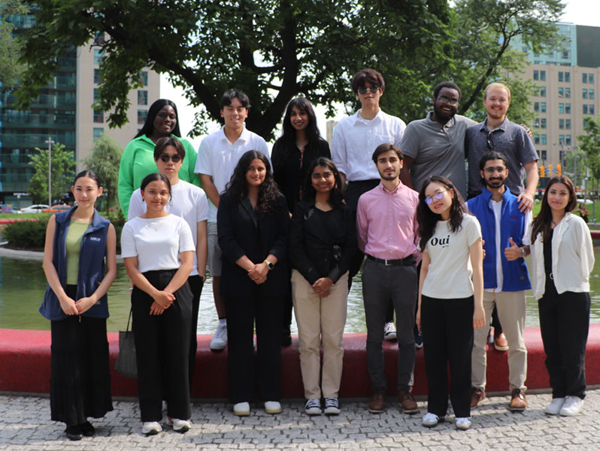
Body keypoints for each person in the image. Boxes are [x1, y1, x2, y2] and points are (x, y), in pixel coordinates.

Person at [40, 170, 117, 441]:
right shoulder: (57, 221)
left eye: (90, 189)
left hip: (91, 300)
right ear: (73, 190)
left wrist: (93, 298)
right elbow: (47, 262)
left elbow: (111, 271)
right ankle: (71, 420)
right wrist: (61, 296)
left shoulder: (105, 226)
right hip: (62, 297)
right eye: (79, 188)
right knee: (66, 358)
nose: (84, 194)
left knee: (91, 357)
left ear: (99, 192)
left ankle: (86, 416)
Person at [128, 136, 209, 391]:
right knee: (152, 340)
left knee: (185, 341)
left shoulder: (196, 194)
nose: (170, 162)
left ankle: (182, 395)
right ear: (156, 160)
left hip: (188, 275)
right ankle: (157, 396)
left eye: (175, 158)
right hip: (148, 278)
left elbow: (202, 235)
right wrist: (135, 282)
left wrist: (201, 273)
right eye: (165, 157)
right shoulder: (138, 195)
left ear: (182, 161)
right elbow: (134, 234)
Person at [331, 68, 406, 341]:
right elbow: (339, 166)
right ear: (357, 94)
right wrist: (340, 197)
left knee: (385, 256)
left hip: (387, 189)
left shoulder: (396, 125)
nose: (368, 93)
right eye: (362, 89)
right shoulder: (344, 127)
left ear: (381, 91)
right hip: (355, 192)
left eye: (373, 88)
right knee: (350, 256)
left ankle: (388, 322)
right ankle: (335, 320)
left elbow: (401, 163)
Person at [121, 173, 195, 435]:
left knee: (178, 354)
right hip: (145, 291)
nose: (157, 197)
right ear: (142, 194)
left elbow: (187, 264)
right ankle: (150, 416)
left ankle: (180, 414)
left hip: (176, 290)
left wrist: (166, 295)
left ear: (169, 196)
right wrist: (155, 294)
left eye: (163, 192)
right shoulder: (131, 227)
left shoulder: (179, 224)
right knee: (148, 355)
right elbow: (131, 267)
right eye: (152, 192)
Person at [195, 90, 269, 351]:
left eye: (240, 108)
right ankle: (224, 322)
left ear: (246, 112)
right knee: (219, 271)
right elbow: (206, 180)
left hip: (253, 218)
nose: (235, 113)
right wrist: (226, 209)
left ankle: (252, 326)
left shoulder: (258, 141)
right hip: (218, 217)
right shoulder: (209, 142)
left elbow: (265, 178)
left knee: (252, 268)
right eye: (230, 108)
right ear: (222, 112)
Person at [217, 150, 289, 416]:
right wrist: (251, 267)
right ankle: (240, 396)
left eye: (261, 169)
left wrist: (266, 265)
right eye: (252, 169)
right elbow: (225, 239)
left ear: (266, 171)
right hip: (239, 279)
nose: (257, 173)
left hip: (272, 279)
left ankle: (271, 394)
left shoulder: (278, 200)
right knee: (239, 340)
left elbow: (284, 237)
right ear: (242, 171)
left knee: (270, 340)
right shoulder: (228, 200)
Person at [416, 176, 485, 431]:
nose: (434, 200)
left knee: (460, 359)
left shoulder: (469, 224)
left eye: (438, 194)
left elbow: (477, 269)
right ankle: (435, 409)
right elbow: (424, 269)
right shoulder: (428, 227)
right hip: (433, 300)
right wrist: (420, 308)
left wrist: (478, 306)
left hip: (460, 300)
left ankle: (462, 411)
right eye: (428, 197)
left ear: (451, 193)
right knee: (433, 358)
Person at [289, 157, 356, 416]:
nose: (322, 180)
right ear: (311, 180)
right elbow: (294, 248)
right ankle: (312, 396)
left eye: (327, 174)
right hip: (305, 281)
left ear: (335, 177)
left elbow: (352, 249)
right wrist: (314, 277)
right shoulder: (301, 209)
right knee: (307, 341)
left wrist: (331, 278)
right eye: (316, 175)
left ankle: (331, 395)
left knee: (333, 341)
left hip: (336, 282)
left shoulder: (346, 210)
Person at [356, 143, 419, 415]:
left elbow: (420, 234)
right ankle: (378, 390)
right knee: (374, 336)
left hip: (406, 270)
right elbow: (361, 236)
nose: (388, 165)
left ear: (401, 163)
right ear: (377, 165)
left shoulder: (416, 198)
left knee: (407, 335)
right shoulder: (365, 200)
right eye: (382, 161)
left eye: (392, 160)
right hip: (375, 270)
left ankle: (405, 389)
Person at [467, 151, 531, 411]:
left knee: (516, 342)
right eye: (489, 170)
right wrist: (471, 253)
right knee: (475, 341)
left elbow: (531, 244)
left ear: (507, 173)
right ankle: (476, 388)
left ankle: (518, 390)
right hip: (480, 285)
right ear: (482, 174)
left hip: (512, 283)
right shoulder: (469, 206)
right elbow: (460, 243)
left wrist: (521, 252)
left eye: (499, 169)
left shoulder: (521, 204)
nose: (495, 174)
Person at [530, 176, 595, 416]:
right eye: (553, 192)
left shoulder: (576, 223)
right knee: (553, 348)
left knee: (572, 348)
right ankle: (558, 394)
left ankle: (575, 394)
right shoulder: (538, 225)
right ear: (546, 196)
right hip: (546, 294)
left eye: (562, 193)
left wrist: (571, 280)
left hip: (573, 293)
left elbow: (587, 260)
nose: (556, 197)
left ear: (570, 198)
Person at [272, 97, 331, 346]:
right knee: (284, 272)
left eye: (302, 113)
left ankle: (317, 330)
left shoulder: (320, 146)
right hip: (284, 216)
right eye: (293, 114)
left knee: (313, 269)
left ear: (310, 116)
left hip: (314, 216)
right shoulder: (281, 145)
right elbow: (272, 183)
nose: (298, 118)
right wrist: (285, 211)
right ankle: (283, 327)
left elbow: (327, 179)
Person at [118, 99, 200, 219]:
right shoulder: (134, 146)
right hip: (145, 217)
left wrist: (194, 213)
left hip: (182, 217)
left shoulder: (185, 146)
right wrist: (133, 216)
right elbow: (125, 185)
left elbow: (197, 181)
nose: (167, 119)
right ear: (152, 117)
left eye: (172, 116)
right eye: (162, 115)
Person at [466, 83, 539, 212]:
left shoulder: (518, 132)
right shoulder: (471, 132)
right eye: (493, 99)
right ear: (485, 102)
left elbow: (532, 168)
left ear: (508, 103)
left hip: (513, 202)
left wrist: (529, 194)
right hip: (477, 201)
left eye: (502, 100)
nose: (497, 103)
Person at [400, 81, 476, 200]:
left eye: (453, 100)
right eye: (444, 98)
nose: (448, 104)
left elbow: (488, 128)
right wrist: (414, 199)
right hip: (428, 204)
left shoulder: (464, 125)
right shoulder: (416, 129)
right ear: (434, 99)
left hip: (457, 204)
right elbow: (402, 166)